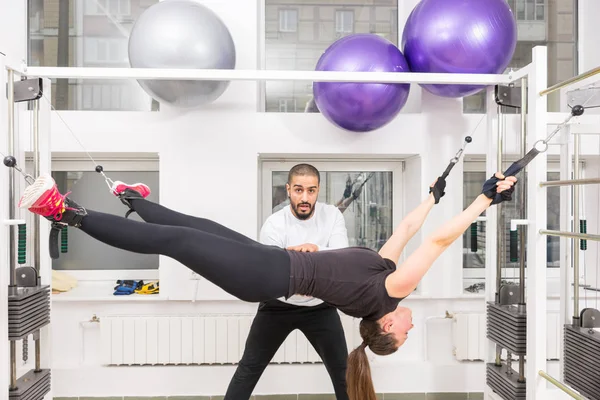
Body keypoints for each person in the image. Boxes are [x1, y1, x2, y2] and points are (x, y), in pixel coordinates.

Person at [18, 170, 516, 400]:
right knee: (197, 227)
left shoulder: (389, 294)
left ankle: (64, 212)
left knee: (175, 241)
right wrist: (432, 195)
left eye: (404, 334)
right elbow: (412, 231)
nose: (410, 327)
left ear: (386, 324)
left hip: (264, 276)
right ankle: (133, 199)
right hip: (270, 262)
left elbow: (440, 243)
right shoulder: (385, 278)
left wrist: (483, 202)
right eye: (407, 332)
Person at [225, 163, 350, 399]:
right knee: (249, 369)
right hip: (277, 306)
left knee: (343, 372)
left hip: (320, 308)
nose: (305, 197)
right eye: (299, 190)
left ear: (318, 190)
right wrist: (320, 263)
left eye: (311, 190)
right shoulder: (274, 224)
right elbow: (275, 274)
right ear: (289, 189)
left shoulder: (332, 215)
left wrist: (314, 249)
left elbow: (341, 259)